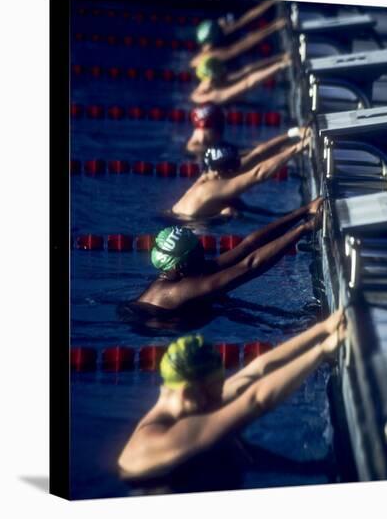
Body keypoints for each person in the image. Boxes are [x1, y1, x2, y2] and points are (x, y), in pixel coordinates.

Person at [118, 309, 347, 482]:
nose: (219, 399)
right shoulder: (158, 440)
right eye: (215, 392)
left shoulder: (191, 403)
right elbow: (256, 400)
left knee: (229, 446)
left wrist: (323, 328)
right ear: (188, 390)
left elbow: (256, 370)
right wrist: (323, 350)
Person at [119, 198, 322, 319]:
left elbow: (248, 246)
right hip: (151, 322)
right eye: (198, 251)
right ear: (182, 265)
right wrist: (305, 228)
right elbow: (249, 266)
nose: (204, 252)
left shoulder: (186, 270)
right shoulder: (182, 290)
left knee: (223, 303)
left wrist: (304, 211)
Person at [173, 132, 310, 219]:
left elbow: (257, 155)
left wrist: (295, 133)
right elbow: (258, 174)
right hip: (189, 224)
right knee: (231, 210)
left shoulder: (214, 172)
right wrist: (297, 148)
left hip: (185, 217)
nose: (239, 169)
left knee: (234, 206)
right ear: (226, 171)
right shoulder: (211, 188)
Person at [191, 53, 291, 105]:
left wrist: (281, 57)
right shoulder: (214, 96)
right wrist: (281, 66)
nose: (224, 75)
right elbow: (247, 83)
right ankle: (283, 63)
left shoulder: (207, 83)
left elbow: (246, 71)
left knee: (246, 72)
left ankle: (282, 58)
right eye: (221, 75)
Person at [191, 16, 287, 68]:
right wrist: (274, 27)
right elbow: (244, 45)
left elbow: (243, 21)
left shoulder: (205, 47)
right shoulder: (212, 56)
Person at [196, 0, 278, 49]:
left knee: (246, 18)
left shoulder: (207, 39)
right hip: (221, 23)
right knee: (246, 18)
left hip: (222, 24)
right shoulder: (203, 36)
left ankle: (272, 4)